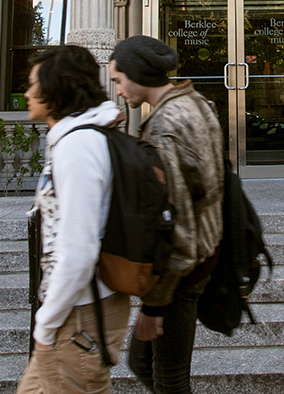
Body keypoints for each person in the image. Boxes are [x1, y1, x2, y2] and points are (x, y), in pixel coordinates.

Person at [109, 35, 224, 394]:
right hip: (201, 255)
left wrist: (155, 307)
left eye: (118, 80)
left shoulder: (166, 127)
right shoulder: (194, 102)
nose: (118, 91)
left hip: (183, 271)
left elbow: (182, 225)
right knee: (144, 363)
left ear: (137, 74)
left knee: (169, 378)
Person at [17, 44, 130, 394]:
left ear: (57, 88)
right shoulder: (76, 140)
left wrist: (46, 324)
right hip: (78, 308)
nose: (27, 93)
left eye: (34, 84)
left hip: (79, 313)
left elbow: (78, 249)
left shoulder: (78, 147)